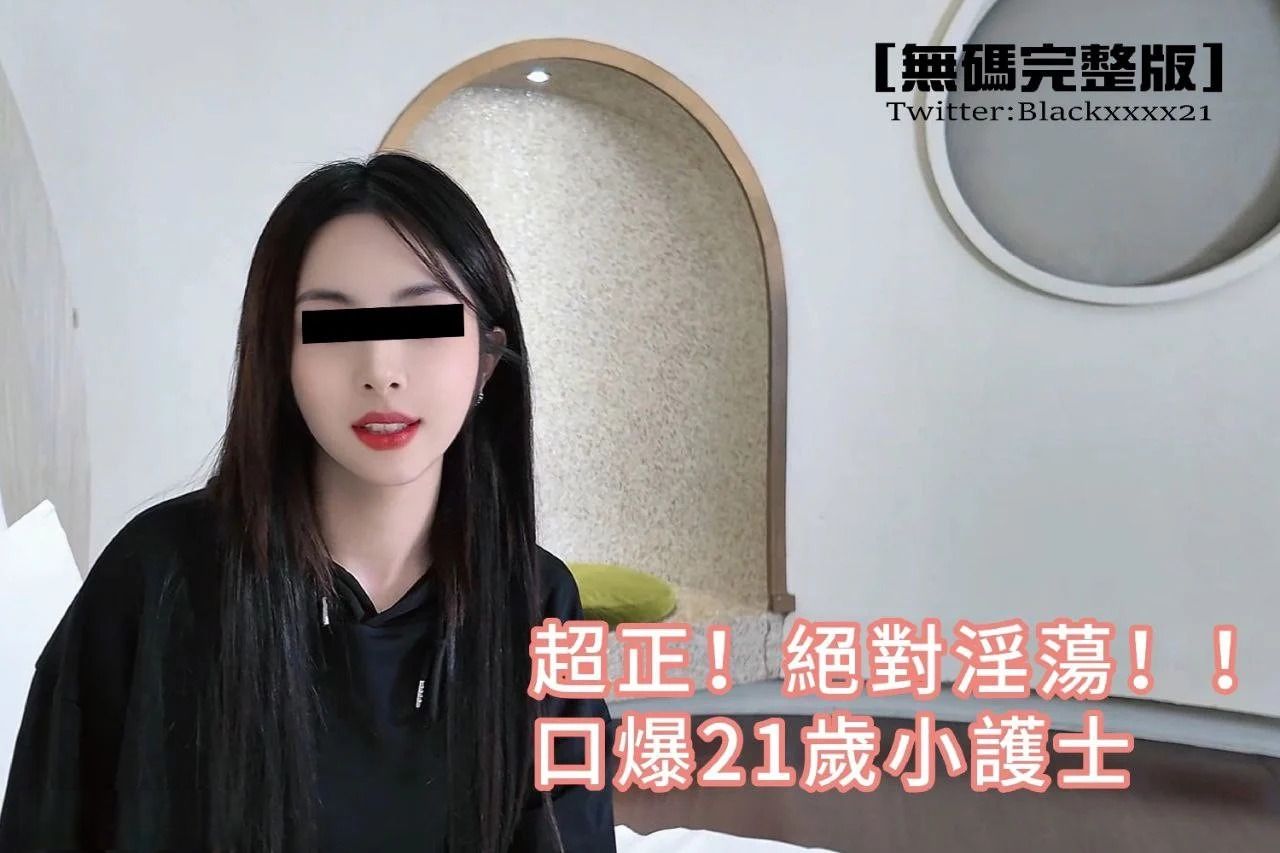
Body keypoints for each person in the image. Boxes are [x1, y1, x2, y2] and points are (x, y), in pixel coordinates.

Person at [0, 152, 617, 852]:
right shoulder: (155, 579)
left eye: (425, 321)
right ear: (280, 357)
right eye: (331, 326)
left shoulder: (536, 600)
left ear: (486, 358)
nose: (380, 371)